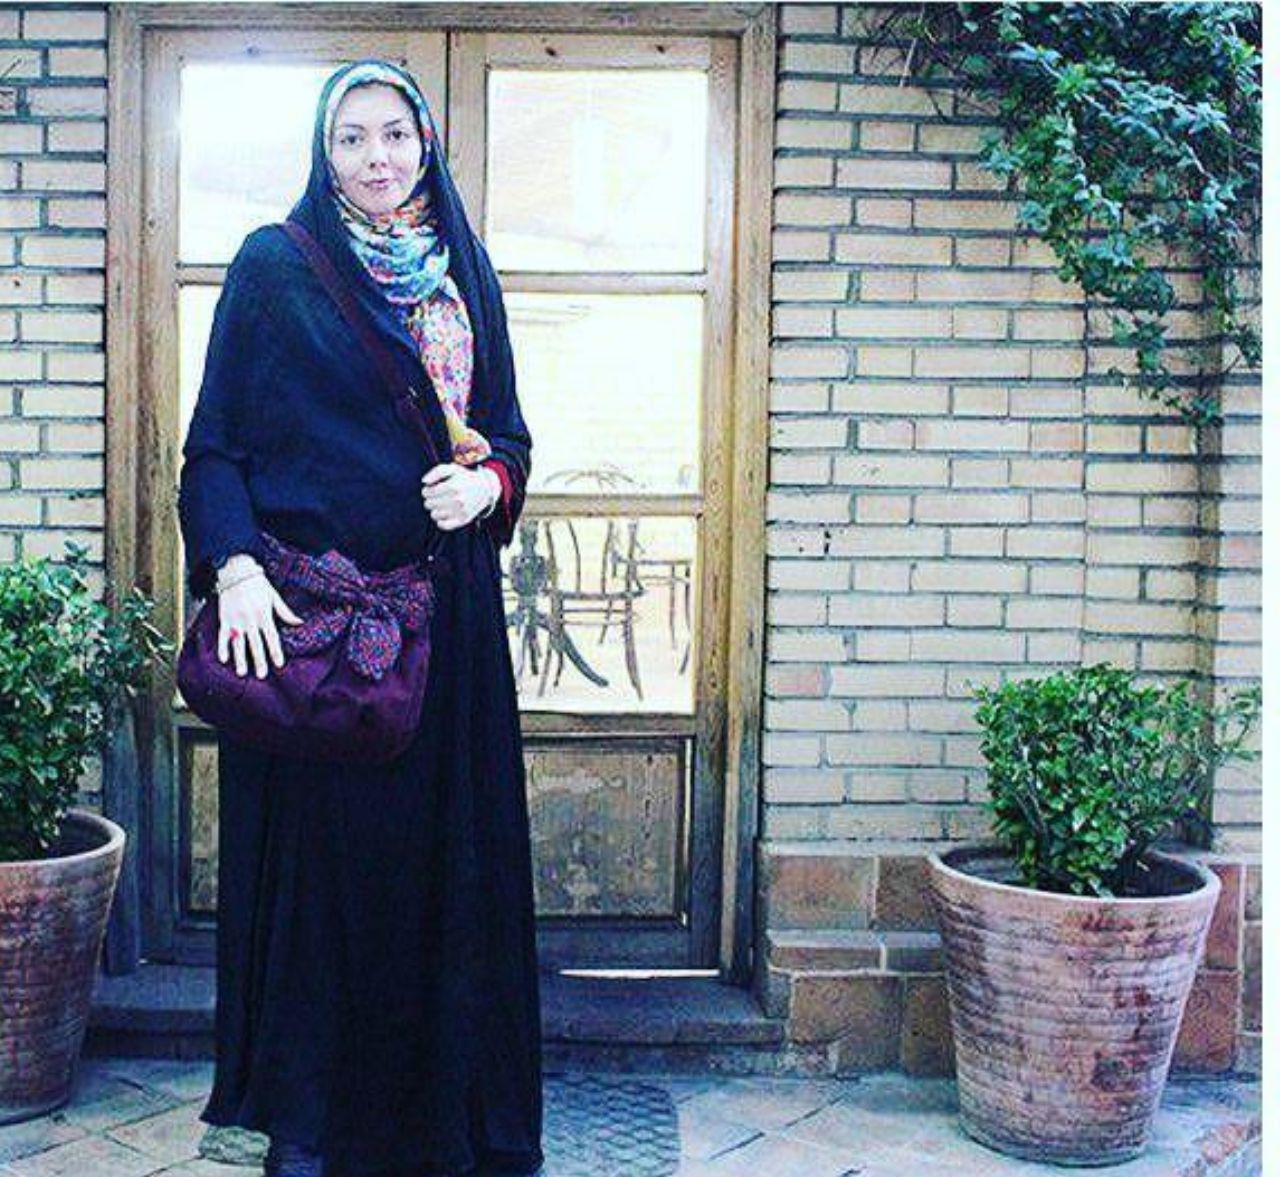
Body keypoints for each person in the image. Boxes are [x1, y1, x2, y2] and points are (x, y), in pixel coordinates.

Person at [177, 59, 543, 1177]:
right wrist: (235, 566)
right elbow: (212, 448)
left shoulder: (464, 267)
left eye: (394, 133)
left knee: (442, 871)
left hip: (446, 623)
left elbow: (510, 435)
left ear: (424, 142)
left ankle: (442, 1122)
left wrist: (489, 487)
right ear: (322, 152)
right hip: (316, 628)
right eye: (351, 137)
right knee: (322, 880)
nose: (376, 157)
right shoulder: (274, 268)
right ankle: (309, 1123)